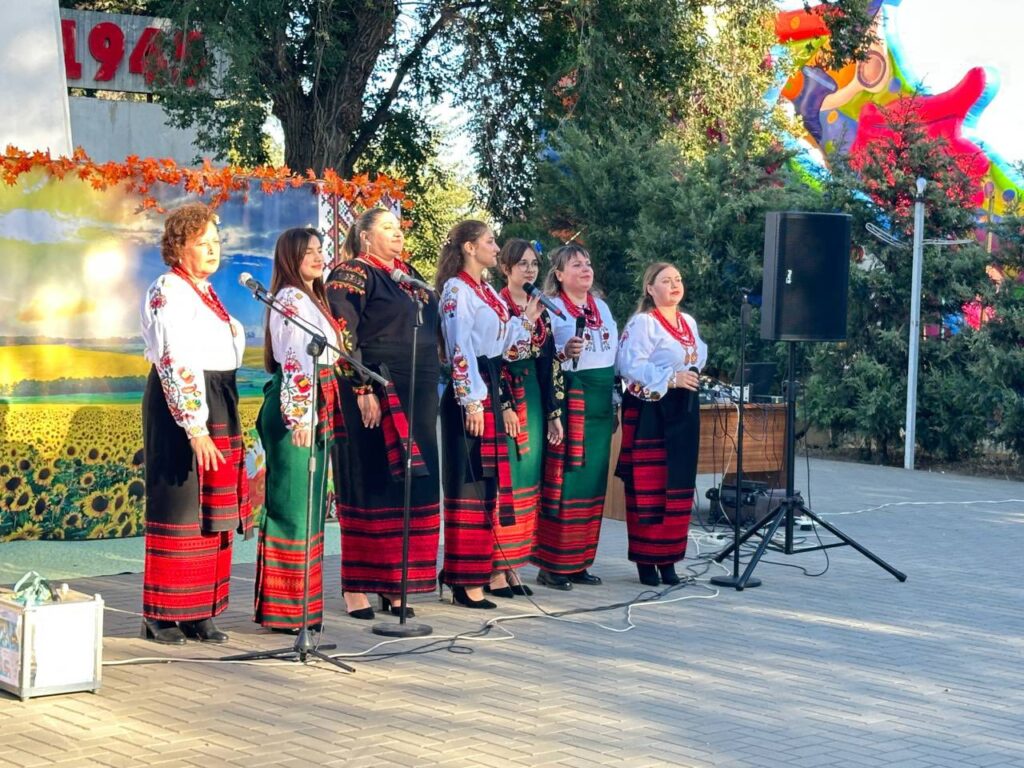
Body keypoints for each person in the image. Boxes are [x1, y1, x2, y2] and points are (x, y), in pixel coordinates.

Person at [139, 202, 250, 645]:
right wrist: (195, 425)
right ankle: (162, 614)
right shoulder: (169, 288)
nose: (212, 249)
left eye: (216, 242)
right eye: (202, 242)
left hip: (218, 399)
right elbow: (174, 357)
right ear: (179, 246)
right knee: (181, 503)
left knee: (212, 510)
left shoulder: (205, 292)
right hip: (182, 405)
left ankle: (199, 610)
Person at [325, 208, 440, 619]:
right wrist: (362, 387)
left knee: (411, 483)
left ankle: (396, 585)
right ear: (365, 236)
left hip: (418, 390)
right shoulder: (352, 273)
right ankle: (356, 586)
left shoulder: (408, 276)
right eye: (387, 228)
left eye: (398, 228)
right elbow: (342, 333)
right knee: (372, 479)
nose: (398, 234)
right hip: (376, 386)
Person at [437, 221, 540, 609]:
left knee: (487, 485)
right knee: (470, 485)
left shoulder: (485, 291)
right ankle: (464, 579)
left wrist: (526, 320)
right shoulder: (456, 290)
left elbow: (505, 347)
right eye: (490, 241)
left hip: (489, 388)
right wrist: (470, 401)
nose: (496, 248)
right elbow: (459, 347)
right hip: (471, 396)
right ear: (469, 247)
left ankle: (477, 573)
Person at [254, 228, 348, 632]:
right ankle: (285, 609)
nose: (317, 256)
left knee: (309, 504)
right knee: (293, 504)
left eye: (320, 249)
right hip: (299, 407)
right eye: (308, 251)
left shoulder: (312, 297)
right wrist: (301, 417)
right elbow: (295, 359)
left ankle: (304, 606)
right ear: (290, 258)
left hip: (315, 402)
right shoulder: (291, 298)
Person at [532, 244, 618, 590]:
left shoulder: (602, 307)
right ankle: (553, 564)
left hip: (600, 401)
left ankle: (580, 560)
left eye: (588, 263)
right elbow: (541, 354)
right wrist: (563, 352)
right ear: (559, 274)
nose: (586, 269)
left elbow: (614, 354)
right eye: (576, 264)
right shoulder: (552, 309)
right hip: (571, 397)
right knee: (567, 478)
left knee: (593, 480)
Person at [615, 263, 706, 586]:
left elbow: (696, 358)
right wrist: (670, 378)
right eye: (666, 280)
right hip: (651, 411)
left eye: (678, 279)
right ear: (650, 289)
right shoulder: (644, 323)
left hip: (683, 410)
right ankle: (646, 560)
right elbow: (629, 364)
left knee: (678, 484)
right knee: (649, 485)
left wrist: (686, 377)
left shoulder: (688, 322)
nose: (674, 284)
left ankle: (669, 560)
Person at [490, 239, 564, 598]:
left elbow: (549, 362)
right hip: (507, 394)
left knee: (529, 479)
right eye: (522, 263)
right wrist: (503, 404)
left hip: (534, 397)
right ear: (506, 268)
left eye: (534, 263)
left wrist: (553, 412)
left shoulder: (542, 309)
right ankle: (494, 567)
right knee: (508, 480)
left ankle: (514, 564)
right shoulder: (497, 304)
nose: (530, 270)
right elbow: (493, 359)